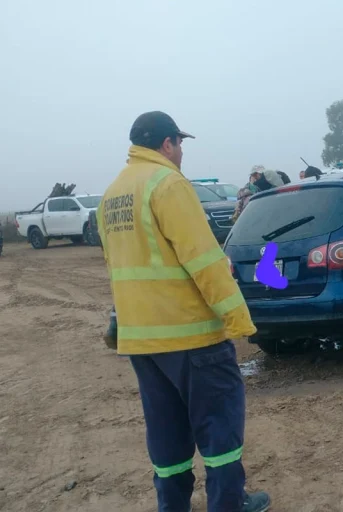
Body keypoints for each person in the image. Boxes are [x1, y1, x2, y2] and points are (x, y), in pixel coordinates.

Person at [96, 111, 271, 512]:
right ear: (167, 144)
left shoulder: (113, 194)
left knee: (167, 435)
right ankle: (230, 505)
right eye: (179, 144)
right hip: (192, 337)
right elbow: (204, 259)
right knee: (220, 433)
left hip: (143, 342)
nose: (180, 154)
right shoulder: (167, 184)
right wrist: (240, 320)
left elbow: (116, 267)